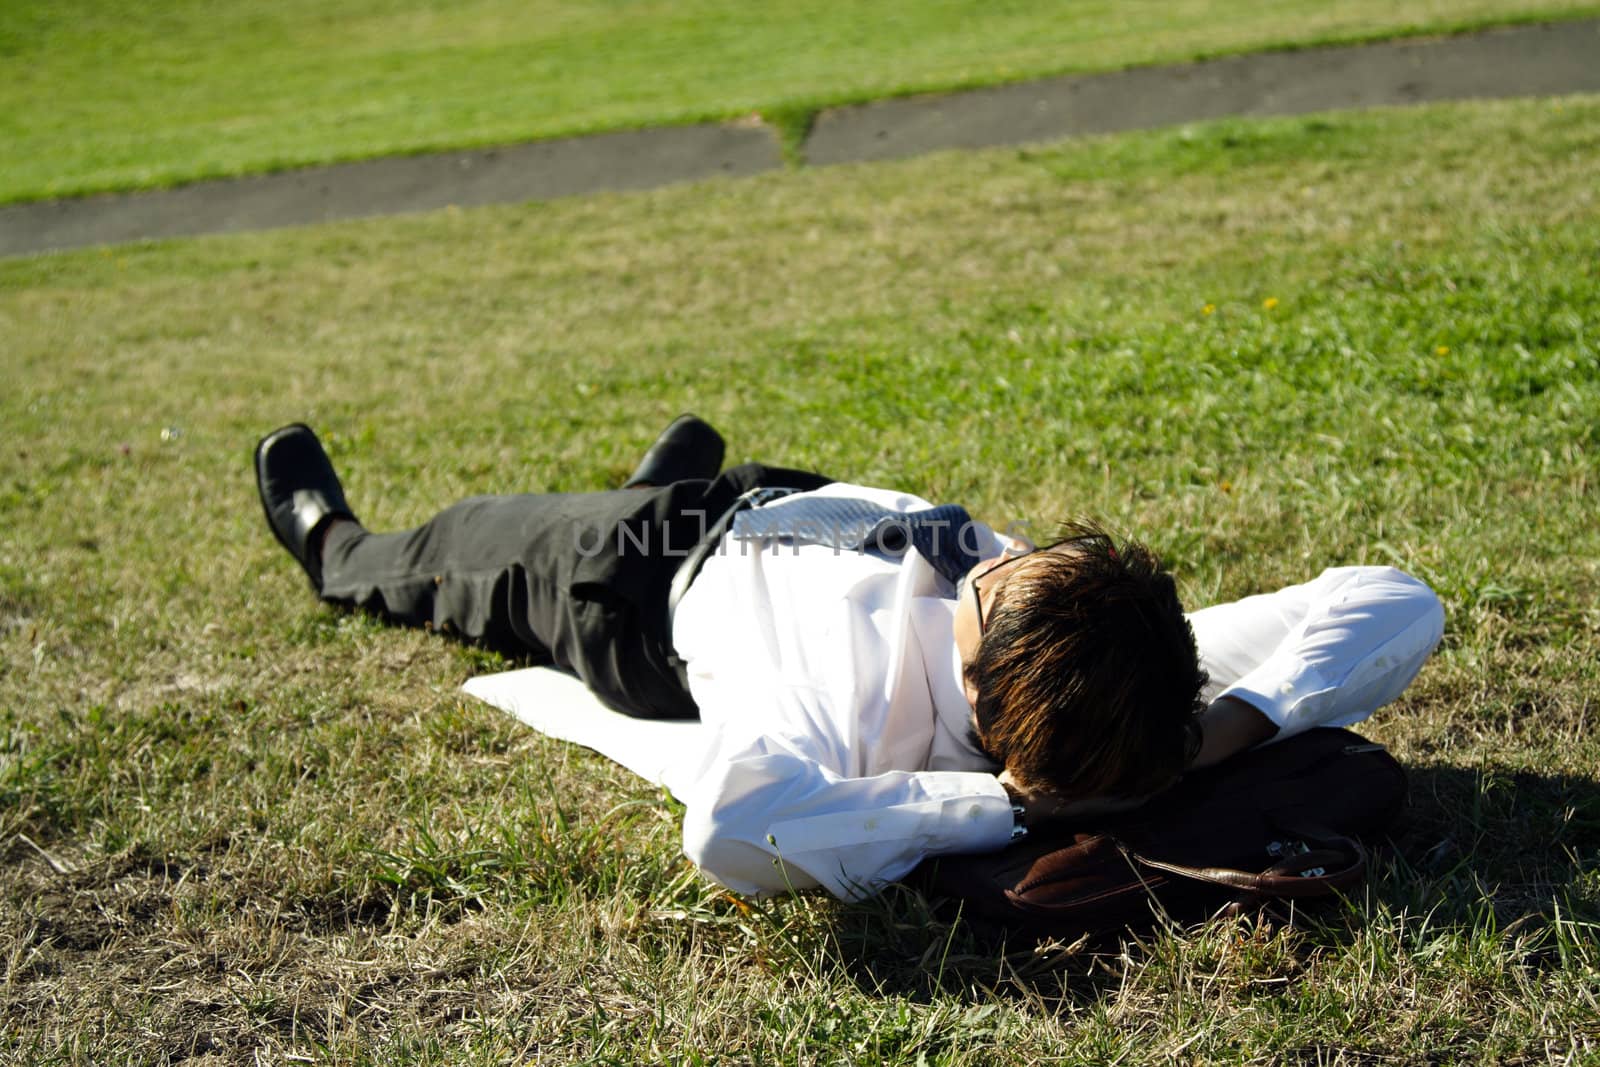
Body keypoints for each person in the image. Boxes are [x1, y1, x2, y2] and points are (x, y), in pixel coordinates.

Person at [255, 417, 1445, 900]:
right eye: (1023, 565)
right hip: (791, 498)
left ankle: (331, 544)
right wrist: (1230, 724)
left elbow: (729, 824)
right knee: (699, 465)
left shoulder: (853, 709)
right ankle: (668, 468)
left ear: (989, 699)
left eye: (995, 596)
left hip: (633, 577)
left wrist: (1000, 804)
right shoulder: (1111, 662)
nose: (1003, 561)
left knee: (453, 551)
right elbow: (1390, 599)